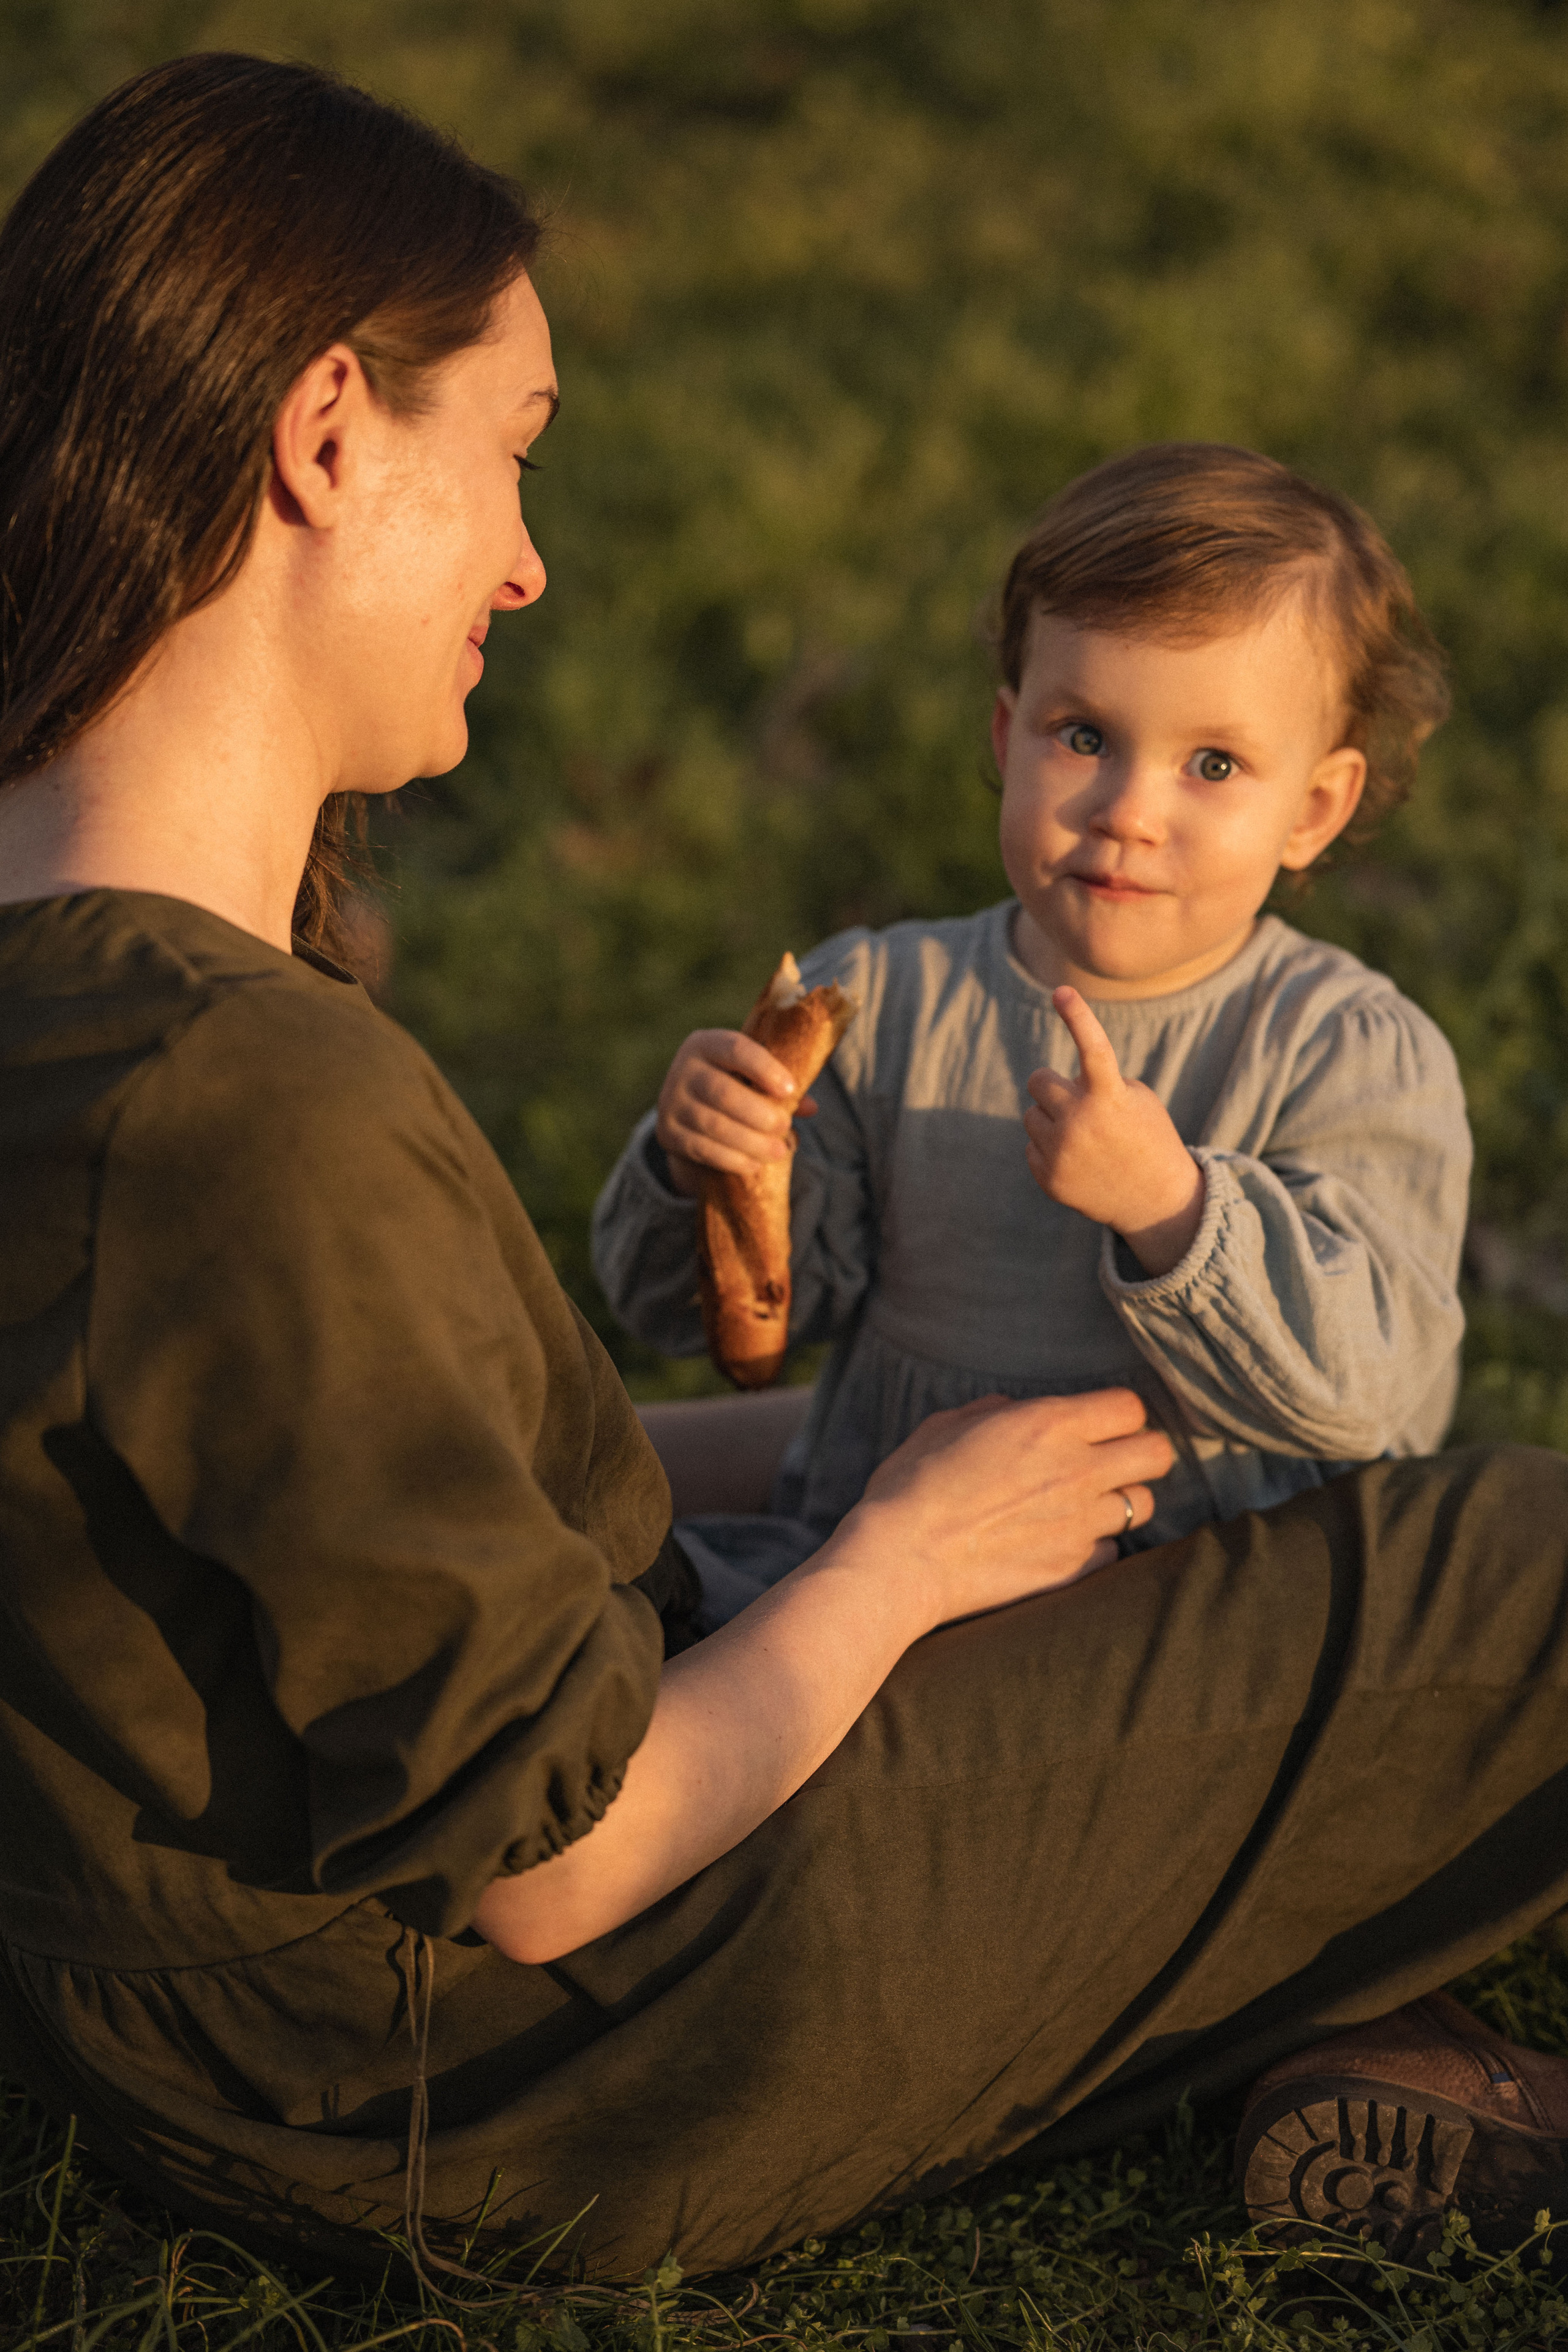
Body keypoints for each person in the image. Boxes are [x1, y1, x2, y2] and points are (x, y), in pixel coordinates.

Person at [1, 50, 1568, 2297]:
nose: (532, 565)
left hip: (207, 2021)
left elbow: (292, 1501)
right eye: (514, 456)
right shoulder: (235, 1095)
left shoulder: (64, 988)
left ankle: (1320, 2021)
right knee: (1507, 1574)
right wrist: (906, 1553)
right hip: (508, 2055)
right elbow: (550, 1862)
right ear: (329, 433)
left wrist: (833, 1444)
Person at [593, 446, 1471, 1619]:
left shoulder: (1347, 1050)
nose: (1129, 812)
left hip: (1176, 1613)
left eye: (1213, 764)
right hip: (870, 1582)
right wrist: (705, 1158)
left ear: (1313, 808)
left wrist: (1175, 1210)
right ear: (1008, 738)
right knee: (604, 1614)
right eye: (1085, 737)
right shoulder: (880, 1003)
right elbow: (711, 1319)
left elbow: (1372, 1390)